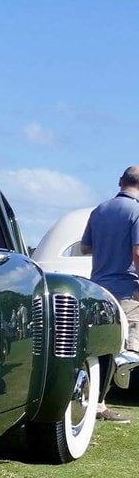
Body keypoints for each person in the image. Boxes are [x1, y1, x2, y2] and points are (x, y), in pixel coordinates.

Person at [80, 165, 139, 422]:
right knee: (127, 349)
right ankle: (101, 404)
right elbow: (138, 252)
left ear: (120, 181)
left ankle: (97, 400)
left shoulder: (99, 210)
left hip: (100, 286)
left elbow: (84, 248)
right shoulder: (136, 211)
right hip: (127, 288)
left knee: (103, 345)